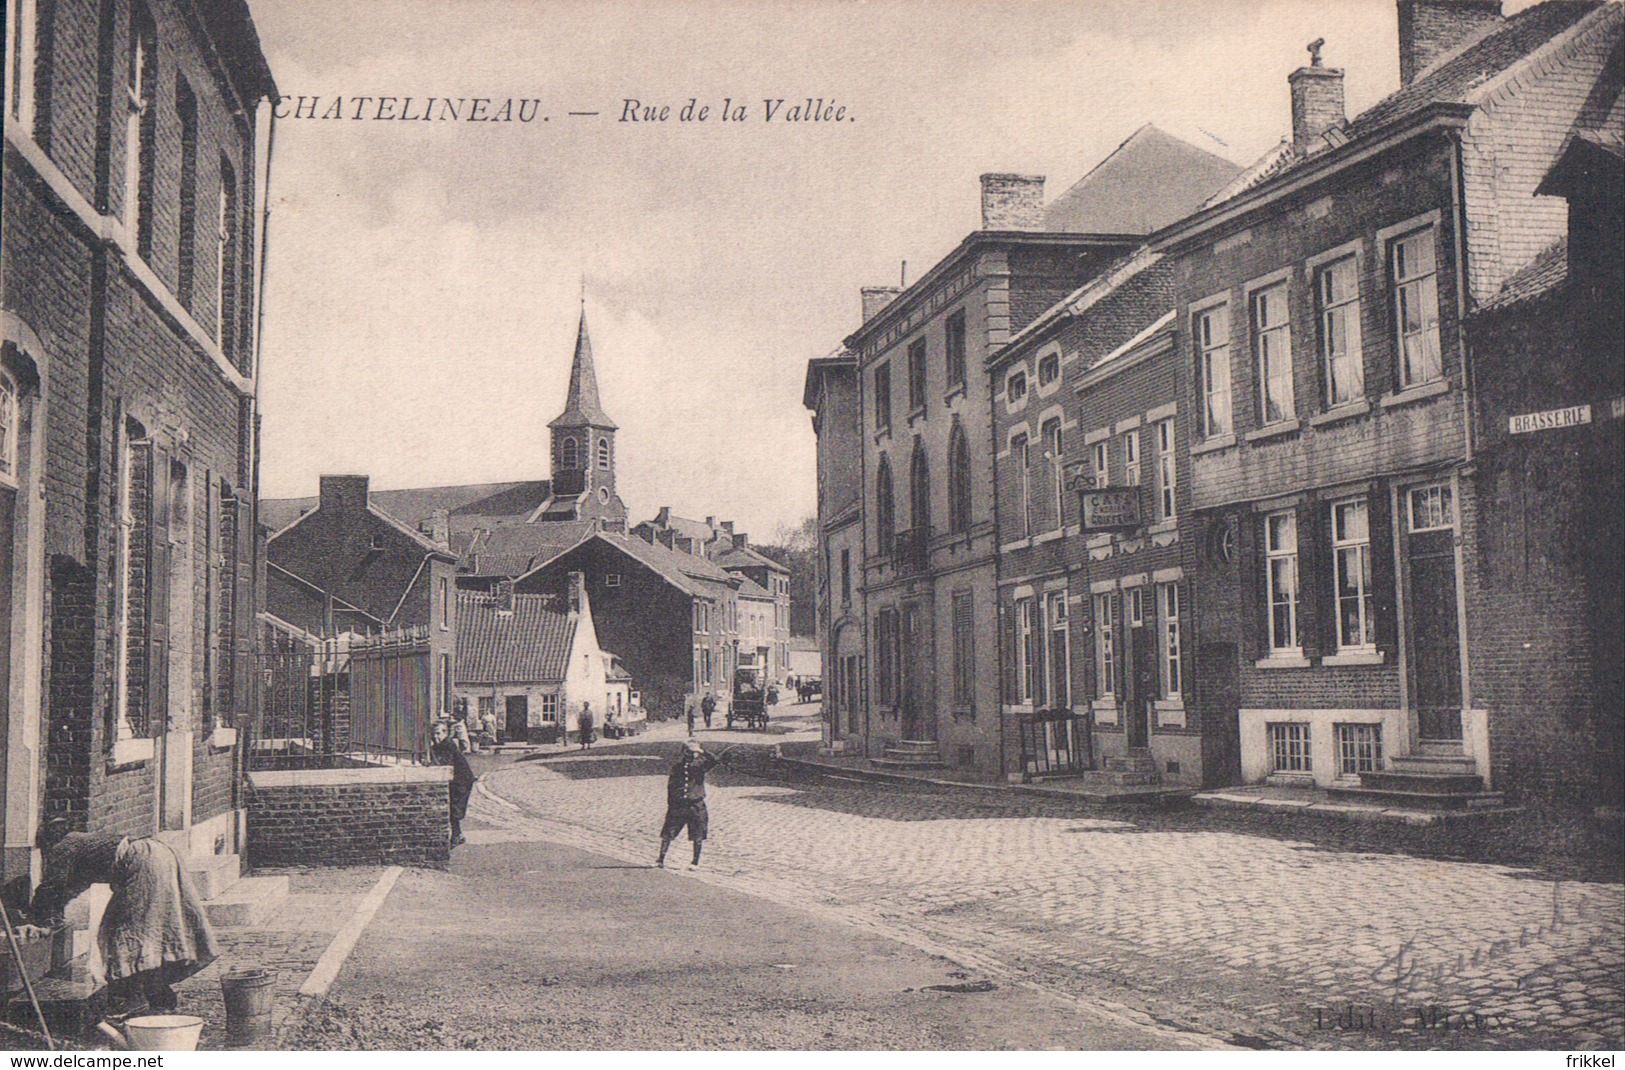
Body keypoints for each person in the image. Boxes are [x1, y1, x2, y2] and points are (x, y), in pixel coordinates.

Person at [25, 818, 218, 1015]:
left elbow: (52, 886)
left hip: (142, 861)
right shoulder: (82, 842)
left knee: (129, 934)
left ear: (48, 842)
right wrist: (52, 919)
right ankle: (157, 996)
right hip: (161, 853)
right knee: (154, 930)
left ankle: (135, 998)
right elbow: (71, 887)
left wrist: (33, 919)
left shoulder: (63, 847)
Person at [657, 741, 730, 870]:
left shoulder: (700, 766)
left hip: (696, 806)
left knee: (698, 835)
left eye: (694, 753)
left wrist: (703, 751)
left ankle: (695, 862)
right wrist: (671, 803)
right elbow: (671, 785)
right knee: (668, 833)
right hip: (678, 806)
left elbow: (715, 760)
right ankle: (660, 859)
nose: (692, 755)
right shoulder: (677, 767)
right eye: (689, 752)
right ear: (684, 752)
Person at [429, 719, 477, 848]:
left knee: (454, 808)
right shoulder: (439, 745)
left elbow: (445, 763)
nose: (435, 736)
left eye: (438, 733)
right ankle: (457, 834)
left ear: (445, 733)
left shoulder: (448, 745)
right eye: (433, 734)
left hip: (462, 780)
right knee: (450, 807)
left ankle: (457, 836)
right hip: (455, 780)